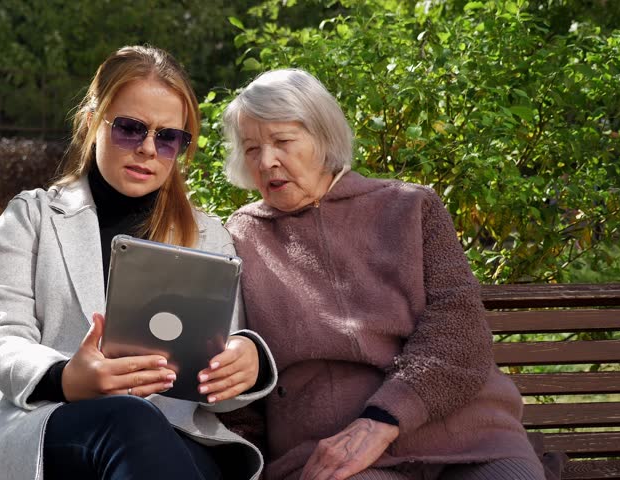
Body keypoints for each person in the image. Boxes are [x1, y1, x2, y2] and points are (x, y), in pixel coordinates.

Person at [0, 46, 277, 480]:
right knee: (127, 420)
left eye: (168, 138)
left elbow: (215, 374)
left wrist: (245, 359)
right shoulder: (30, 217)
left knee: (147, 433)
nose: (148, 149)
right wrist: (66, 377)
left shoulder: (208, 235)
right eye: (130, 129)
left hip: (174, 434)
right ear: (93, 122)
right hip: (49, 423)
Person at [221, 68, 547, 480]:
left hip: (465, 436)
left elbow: (459, 328)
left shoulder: (411, 207)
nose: (266, 161)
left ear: (323, 139)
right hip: (331, 453)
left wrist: (383, 418)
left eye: (283, 141)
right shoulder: (240, 237)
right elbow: (231, 372)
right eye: (251, 149)